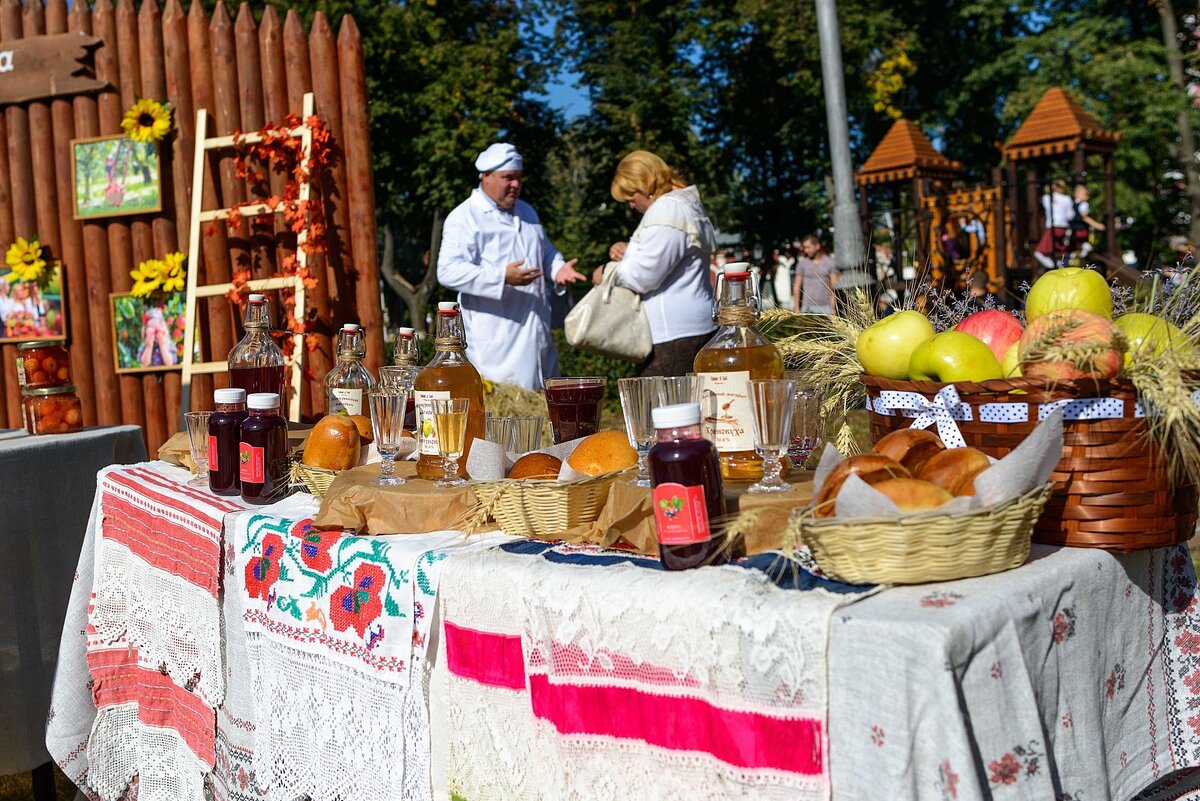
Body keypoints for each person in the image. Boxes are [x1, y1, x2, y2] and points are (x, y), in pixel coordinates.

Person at [437, 142, 587, 389]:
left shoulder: (527, 212)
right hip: (496, 342)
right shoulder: (464, 217)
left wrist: (558, 268)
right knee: (502, 419)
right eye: (508, 178)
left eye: (518, 178)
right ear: (486, 177)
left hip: (536, 333)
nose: (516, 185)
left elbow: (545, 252)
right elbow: (447, 270)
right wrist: (501, 276)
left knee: (542, 414)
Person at [592, 150, 717, 377]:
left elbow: (644, 275)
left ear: (644, 185)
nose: (631, 205)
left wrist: (607, 272)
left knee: (661, 409)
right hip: (692, 326)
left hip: (673, 334)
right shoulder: (685, 206)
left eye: (631, 197)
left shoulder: (667, 209)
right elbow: (666, 257)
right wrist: (629, 251)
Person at [1034, 179, 1075, 270]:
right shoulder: (1067, 199)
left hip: (1053, 227)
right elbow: (1070, 215)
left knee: (1039, 252)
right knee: (1058, 249)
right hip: (1063, 228)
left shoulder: (1046, 198)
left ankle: (1051, 264)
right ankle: (1058, 263)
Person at [792, 234, 839, 314]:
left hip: (826, 307)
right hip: (807, 307)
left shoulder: (830, 263)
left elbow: (833, 288)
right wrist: (796, 307)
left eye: (808, 247)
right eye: (804, 248)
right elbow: (797, 287)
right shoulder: (802, 264)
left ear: (817, 246)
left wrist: (834, 308)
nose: (806, 250)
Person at [1069, 184, 1105, 260]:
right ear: (1077, 194)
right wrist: (1097, 225)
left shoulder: (1071, 204)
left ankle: (1079, 253)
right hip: (1081, 229)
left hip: (1073, 229)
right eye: (1085, 194)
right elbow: (1085, 217)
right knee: (1083, 242)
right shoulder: (1084, 204)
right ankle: (1084, 249)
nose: (1087, 197)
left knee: (1075, 243)